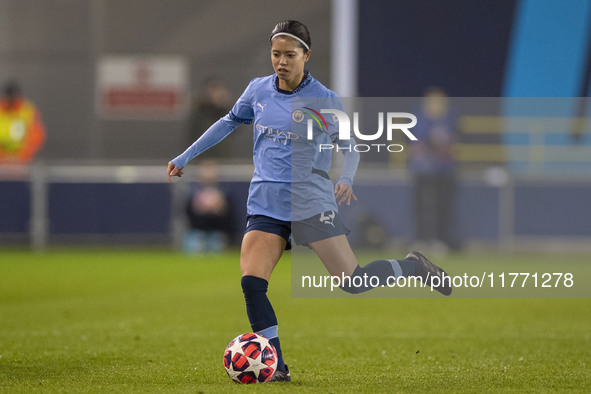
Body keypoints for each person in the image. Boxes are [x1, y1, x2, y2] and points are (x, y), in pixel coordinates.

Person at [167, 21, 452, 382]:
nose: (281, 62)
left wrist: (346, 177)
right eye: (276, 54)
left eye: (289, 54)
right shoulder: (257, 90)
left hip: (310, 203)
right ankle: (278, 367)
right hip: (266, 203)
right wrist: (185, 157)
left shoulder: (324, 99)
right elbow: (226, 123)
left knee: (353, 281)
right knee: (252, 283)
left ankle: (413, 266)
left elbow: (349, 146)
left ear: (306, 55)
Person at [408, 87, 460, 252]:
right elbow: (416, 142)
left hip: (443, 170)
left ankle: (440, 240)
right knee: (420, 207)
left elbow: (452, 143)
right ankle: (421, 240)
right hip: (422, 170)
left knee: (442, 207)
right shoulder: (419, 117)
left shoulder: (449, 117)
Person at [183, 159, 232, 253]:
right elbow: (187, 214)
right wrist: (200, 209)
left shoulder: (224, 193)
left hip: (216, 234)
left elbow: (229, 218)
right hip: (197, 234)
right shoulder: (193, 193)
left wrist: (219, 209)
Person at [0, 81, 45, 163]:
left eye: (12, 95)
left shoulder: (27, 110)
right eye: (8, 95)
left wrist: (22, 155)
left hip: (23, 162)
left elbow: (36, 135)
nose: (10, 98)